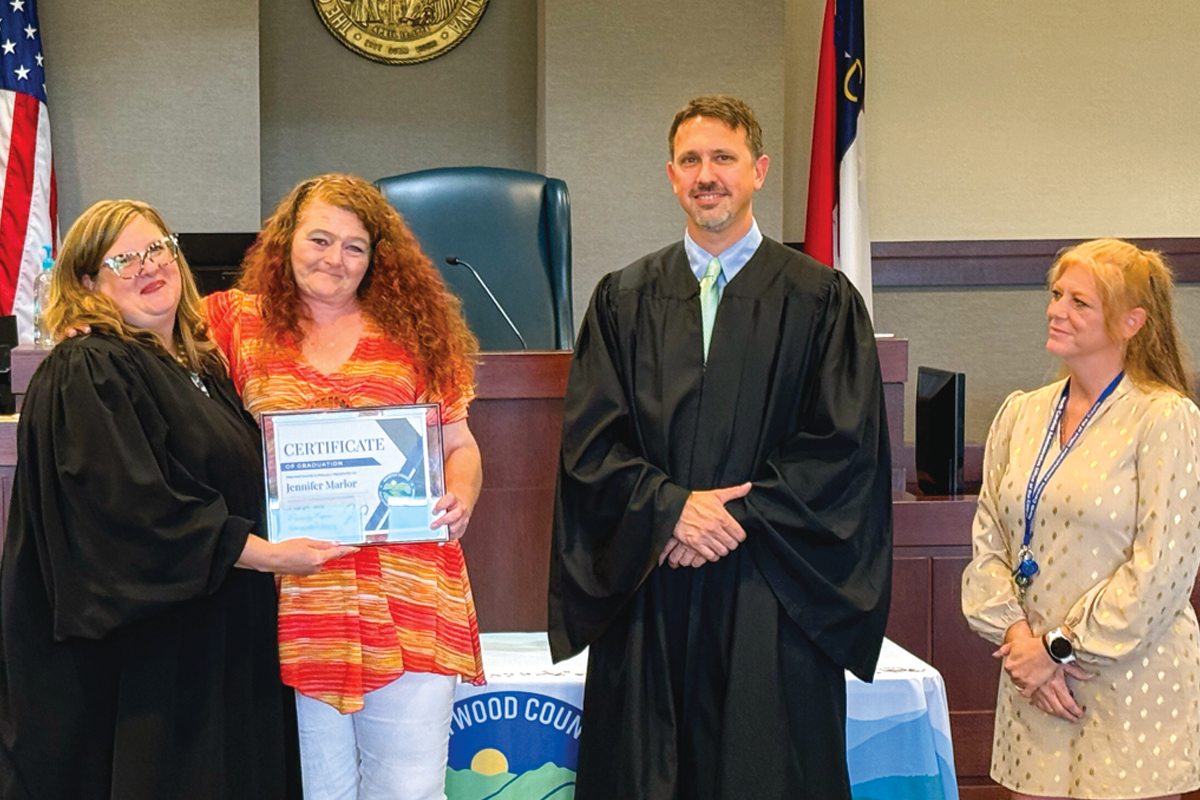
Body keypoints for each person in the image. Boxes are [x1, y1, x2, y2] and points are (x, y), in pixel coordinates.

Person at [548, 94, 893, 799]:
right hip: (652, 578)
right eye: (691, 161)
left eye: (724, 159)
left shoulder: (821, 299)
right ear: (671, 176)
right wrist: (670, 509)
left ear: (758, 170)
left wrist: (731, 518)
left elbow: (843, 446)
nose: (707, 175)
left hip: (772, 585)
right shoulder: (622, 300)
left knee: (764, 767)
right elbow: (591, 442)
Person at [0, 200, 354, 799]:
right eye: (124, 258)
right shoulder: (89, 367)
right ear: (88, 283)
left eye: (156, 248)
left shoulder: (201, 367)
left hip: (218, 639)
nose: (147, 266)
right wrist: (271, 556)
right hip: (145, 667)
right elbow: (133, 510)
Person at [203, 173, 485, 800]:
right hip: (295, 599)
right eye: (320, 239)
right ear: (287, 240)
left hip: (408, 593)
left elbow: (460, 448)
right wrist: (98, 323)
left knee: (407, 790)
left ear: (375, 259)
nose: (335, 259)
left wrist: (461, 496)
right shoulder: (236, 324)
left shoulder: (418, 332)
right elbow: (150, 333)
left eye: (354, 247)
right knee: (315, 790)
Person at [961, 239, 1200, 800]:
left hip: (1131, 687)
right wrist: (1023, 645)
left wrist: (1057, 651)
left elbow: (1163, 571)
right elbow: (989, 541)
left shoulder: (1166, 418)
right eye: (1055, 294)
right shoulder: (1022, 412)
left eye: (1079, 302)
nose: (1056, 310)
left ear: (1130, 322)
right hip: (1034, 686)